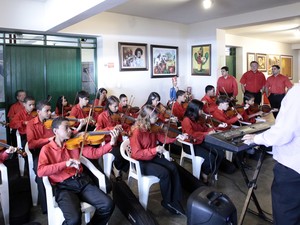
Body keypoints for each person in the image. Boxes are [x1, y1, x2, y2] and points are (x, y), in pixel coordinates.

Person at [37, 117, 118, 225]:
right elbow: (41, 171)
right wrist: (65, 164)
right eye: (66, 128)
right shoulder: (46, 149)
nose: (70, 130)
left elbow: (94, 153)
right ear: (55, 131)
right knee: (74, 220)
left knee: (108, 205)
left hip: (82, 181)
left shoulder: (75, 142)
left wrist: (111, 143)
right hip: (63, 187)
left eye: (70, 127)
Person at [242, 84, 300, 225]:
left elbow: (284, 132)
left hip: (293, 166)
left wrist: (257, 138)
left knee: (286, 214)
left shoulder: (297, 93)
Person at [129, 104, 186, 215]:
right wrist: (154, 150)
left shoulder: (152, 127)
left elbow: (161, 138)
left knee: (173, 167)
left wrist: (176, 138)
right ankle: (167, 201)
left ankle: (175, 199)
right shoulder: (137, 132)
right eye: (155, 117)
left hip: (151, 156)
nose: (157, 119)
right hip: (141, 162)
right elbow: (136, 154)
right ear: (147, 118)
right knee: (164, 173)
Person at [181, 99, 225, 183]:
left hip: (200, 141)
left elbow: (205, 128)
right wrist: (206, 133)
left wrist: (217, 127)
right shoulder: (186, 120)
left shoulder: (197, 118)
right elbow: (191, 134)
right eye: (200, 109)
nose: (202, 111)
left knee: (220, 153)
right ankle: (204, 174)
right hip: (190, 144)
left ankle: (212, 171)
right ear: (194, 109)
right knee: (210, 156)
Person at [96, 95, 129, 178]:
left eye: (118, 106)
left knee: (129, 152)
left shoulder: (117, 114)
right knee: (120, 154)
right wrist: (112, 128)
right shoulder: (101, 116)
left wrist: (123, 126)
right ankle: (117, 168)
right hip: (108, 142)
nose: (117, 108)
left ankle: (119, 168)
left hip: (118, 139)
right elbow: (98, 132)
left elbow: (123, 126)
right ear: (109, 106)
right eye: (115, 106)